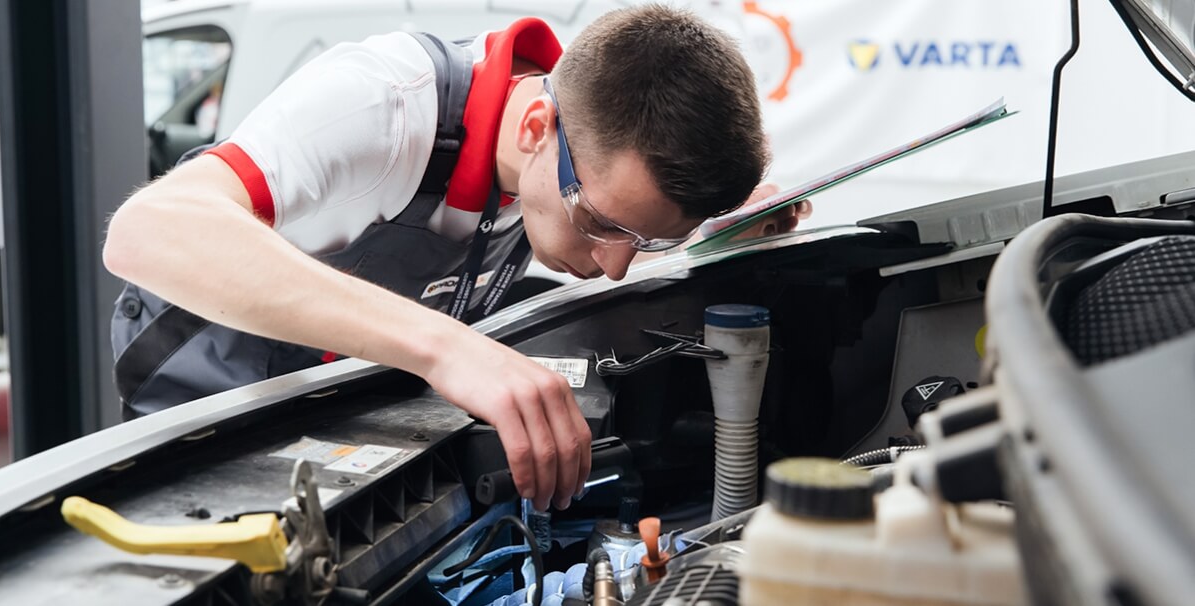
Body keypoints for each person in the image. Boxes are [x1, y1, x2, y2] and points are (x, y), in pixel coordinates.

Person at [104, 5, 804, 513]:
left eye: (646, 239)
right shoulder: (381, 103)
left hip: (345, 428)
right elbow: (146, 230)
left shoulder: (567, 159)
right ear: (537, 128)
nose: (618, 265)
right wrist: (450, 349)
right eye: (600, 224)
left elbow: (615, 225)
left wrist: (705, 243)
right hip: (205, 429)